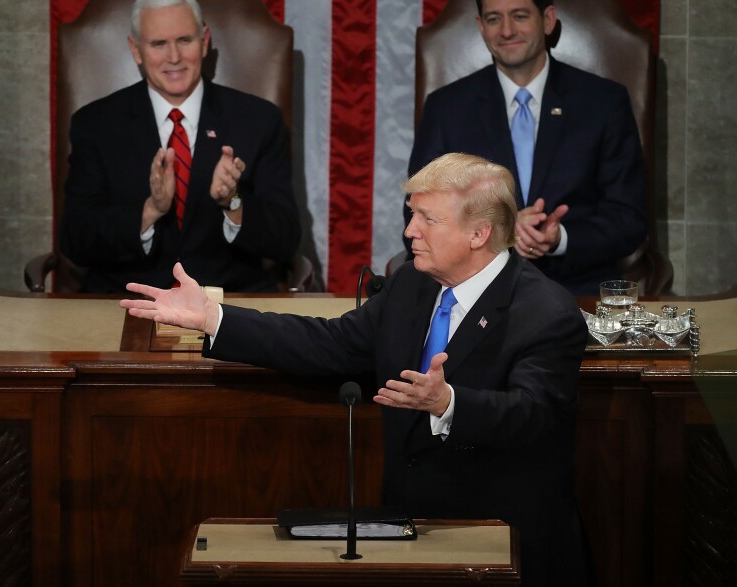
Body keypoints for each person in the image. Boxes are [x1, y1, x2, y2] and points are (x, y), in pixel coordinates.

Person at [120, 153, 592, 585]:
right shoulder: (412, 285)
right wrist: (213, 318)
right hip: (412, 540)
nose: (410, 232)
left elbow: (535, 414)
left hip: (505, 547)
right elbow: (330, 342)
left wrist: (450, 404)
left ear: (479, 233)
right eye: (412, 215)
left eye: (428, 219)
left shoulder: (545, 311)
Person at [406, 0, 647, 295]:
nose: (507, 30)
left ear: (547, 20)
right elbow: (417, 217)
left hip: (576, 292)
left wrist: (559, 238)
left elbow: (629, 219)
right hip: (474, 293)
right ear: (481, 27)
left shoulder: (604, 103)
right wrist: (501, 230)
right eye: (494, 19)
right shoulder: (447, 108)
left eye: (519, 16)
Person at [60, 0, 301, 293]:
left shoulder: (258, 120)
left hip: (227, 305)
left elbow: (285, 238)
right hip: (127, 303)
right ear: (136, 50)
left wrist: (232, 203)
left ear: (204, 41)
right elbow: (76, 239)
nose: (173, 57)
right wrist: (150, 210)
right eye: (158, 44)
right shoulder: (95, 124)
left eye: (184, 40)